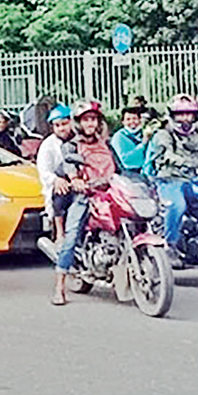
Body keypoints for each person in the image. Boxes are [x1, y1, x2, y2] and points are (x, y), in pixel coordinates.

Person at [51, 100, 118, 306]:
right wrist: (76, 180)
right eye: (86, 120)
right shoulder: (70, 145)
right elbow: (69, 164)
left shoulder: (107, 144)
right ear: (79, 123)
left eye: (94, 119)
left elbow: (120, 168)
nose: (90, 124)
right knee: (71, 237)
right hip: (86, 195)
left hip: (110, 193)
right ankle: (59, 287)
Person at [144, 94, 198, 253]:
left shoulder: (196, 135)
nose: (185, 118)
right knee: (178, 205)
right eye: (180, 114)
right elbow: (168, 155)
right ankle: (170, 245)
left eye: (189, 114)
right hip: (169, 180)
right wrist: (191, 162)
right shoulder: (163, 134)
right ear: (172, 115)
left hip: (192, 179)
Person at [35, 104, 74, 246]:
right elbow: (44, 170)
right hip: (59, 182)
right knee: (60, 194)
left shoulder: (79, 140)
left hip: (82, 180)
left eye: (64, 124)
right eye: (57, 125)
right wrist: (56, 180)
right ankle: (60, 233)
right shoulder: (47, 145)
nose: (62, 128)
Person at [110, 106, 151, 174]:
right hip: (128, 173)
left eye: (134, 118)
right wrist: (142, 145)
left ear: (140, 119)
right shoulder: (119, 137)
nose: (132, 121)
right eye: (128, 119)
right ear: (123, 122)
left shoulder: (145, 133)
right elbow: (125, 159)